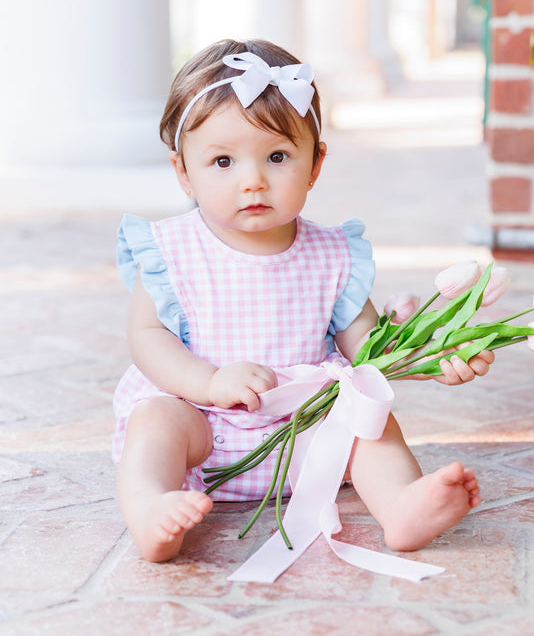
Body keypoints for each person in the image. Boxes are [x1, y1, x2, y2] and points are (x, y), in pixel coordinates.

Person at [113, 38, 494, 563]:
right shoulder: (171, 250)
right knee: (154, 420)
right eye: (222, 161)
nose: (253, 180)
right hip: (201, 429)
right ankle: (151, 509)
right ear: (184, 172)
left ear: (314, 165)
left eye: (276, 156)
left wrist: (419, 354)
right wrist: (208, 382)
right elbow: (147, 338)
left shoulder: (334, 253)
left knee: (369, 417)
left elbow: (364, 345)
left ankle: (399, 504)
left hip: (308, 431)